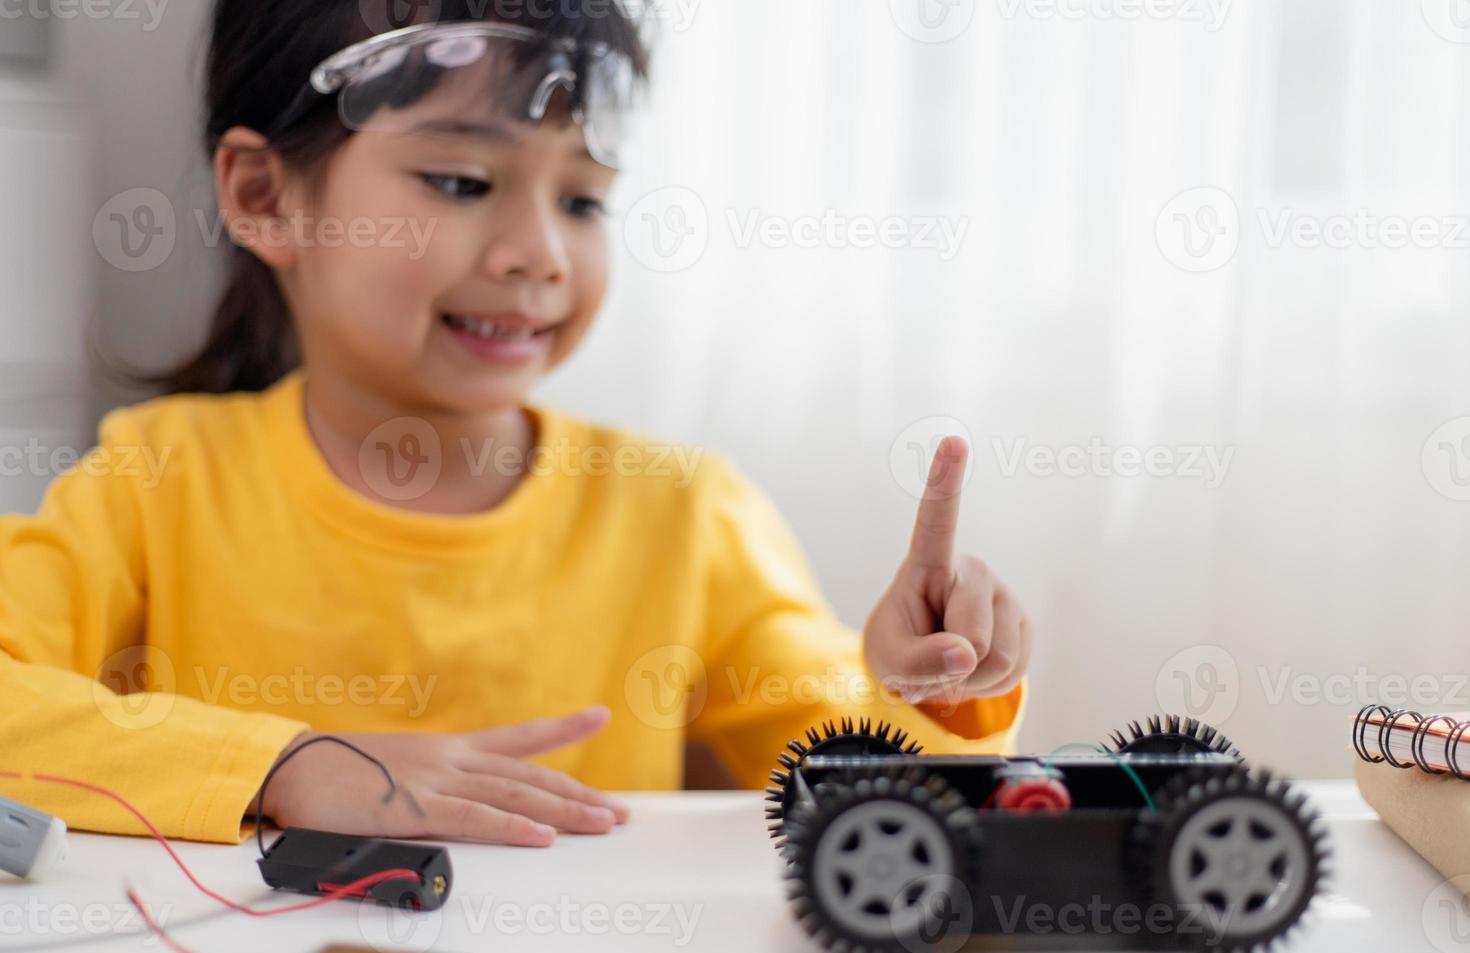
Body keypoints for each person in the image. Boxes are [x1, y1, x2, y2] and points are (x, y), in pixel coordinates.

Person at [0, 0, 1030, 846]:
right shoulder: (160, 479)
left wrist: (929, 692)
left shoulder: (683, 513)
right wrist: (283, 763)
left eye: (584, 202)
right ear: (267, 195)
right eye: (462, 181)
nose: (538, 252)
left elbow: (877, 803)